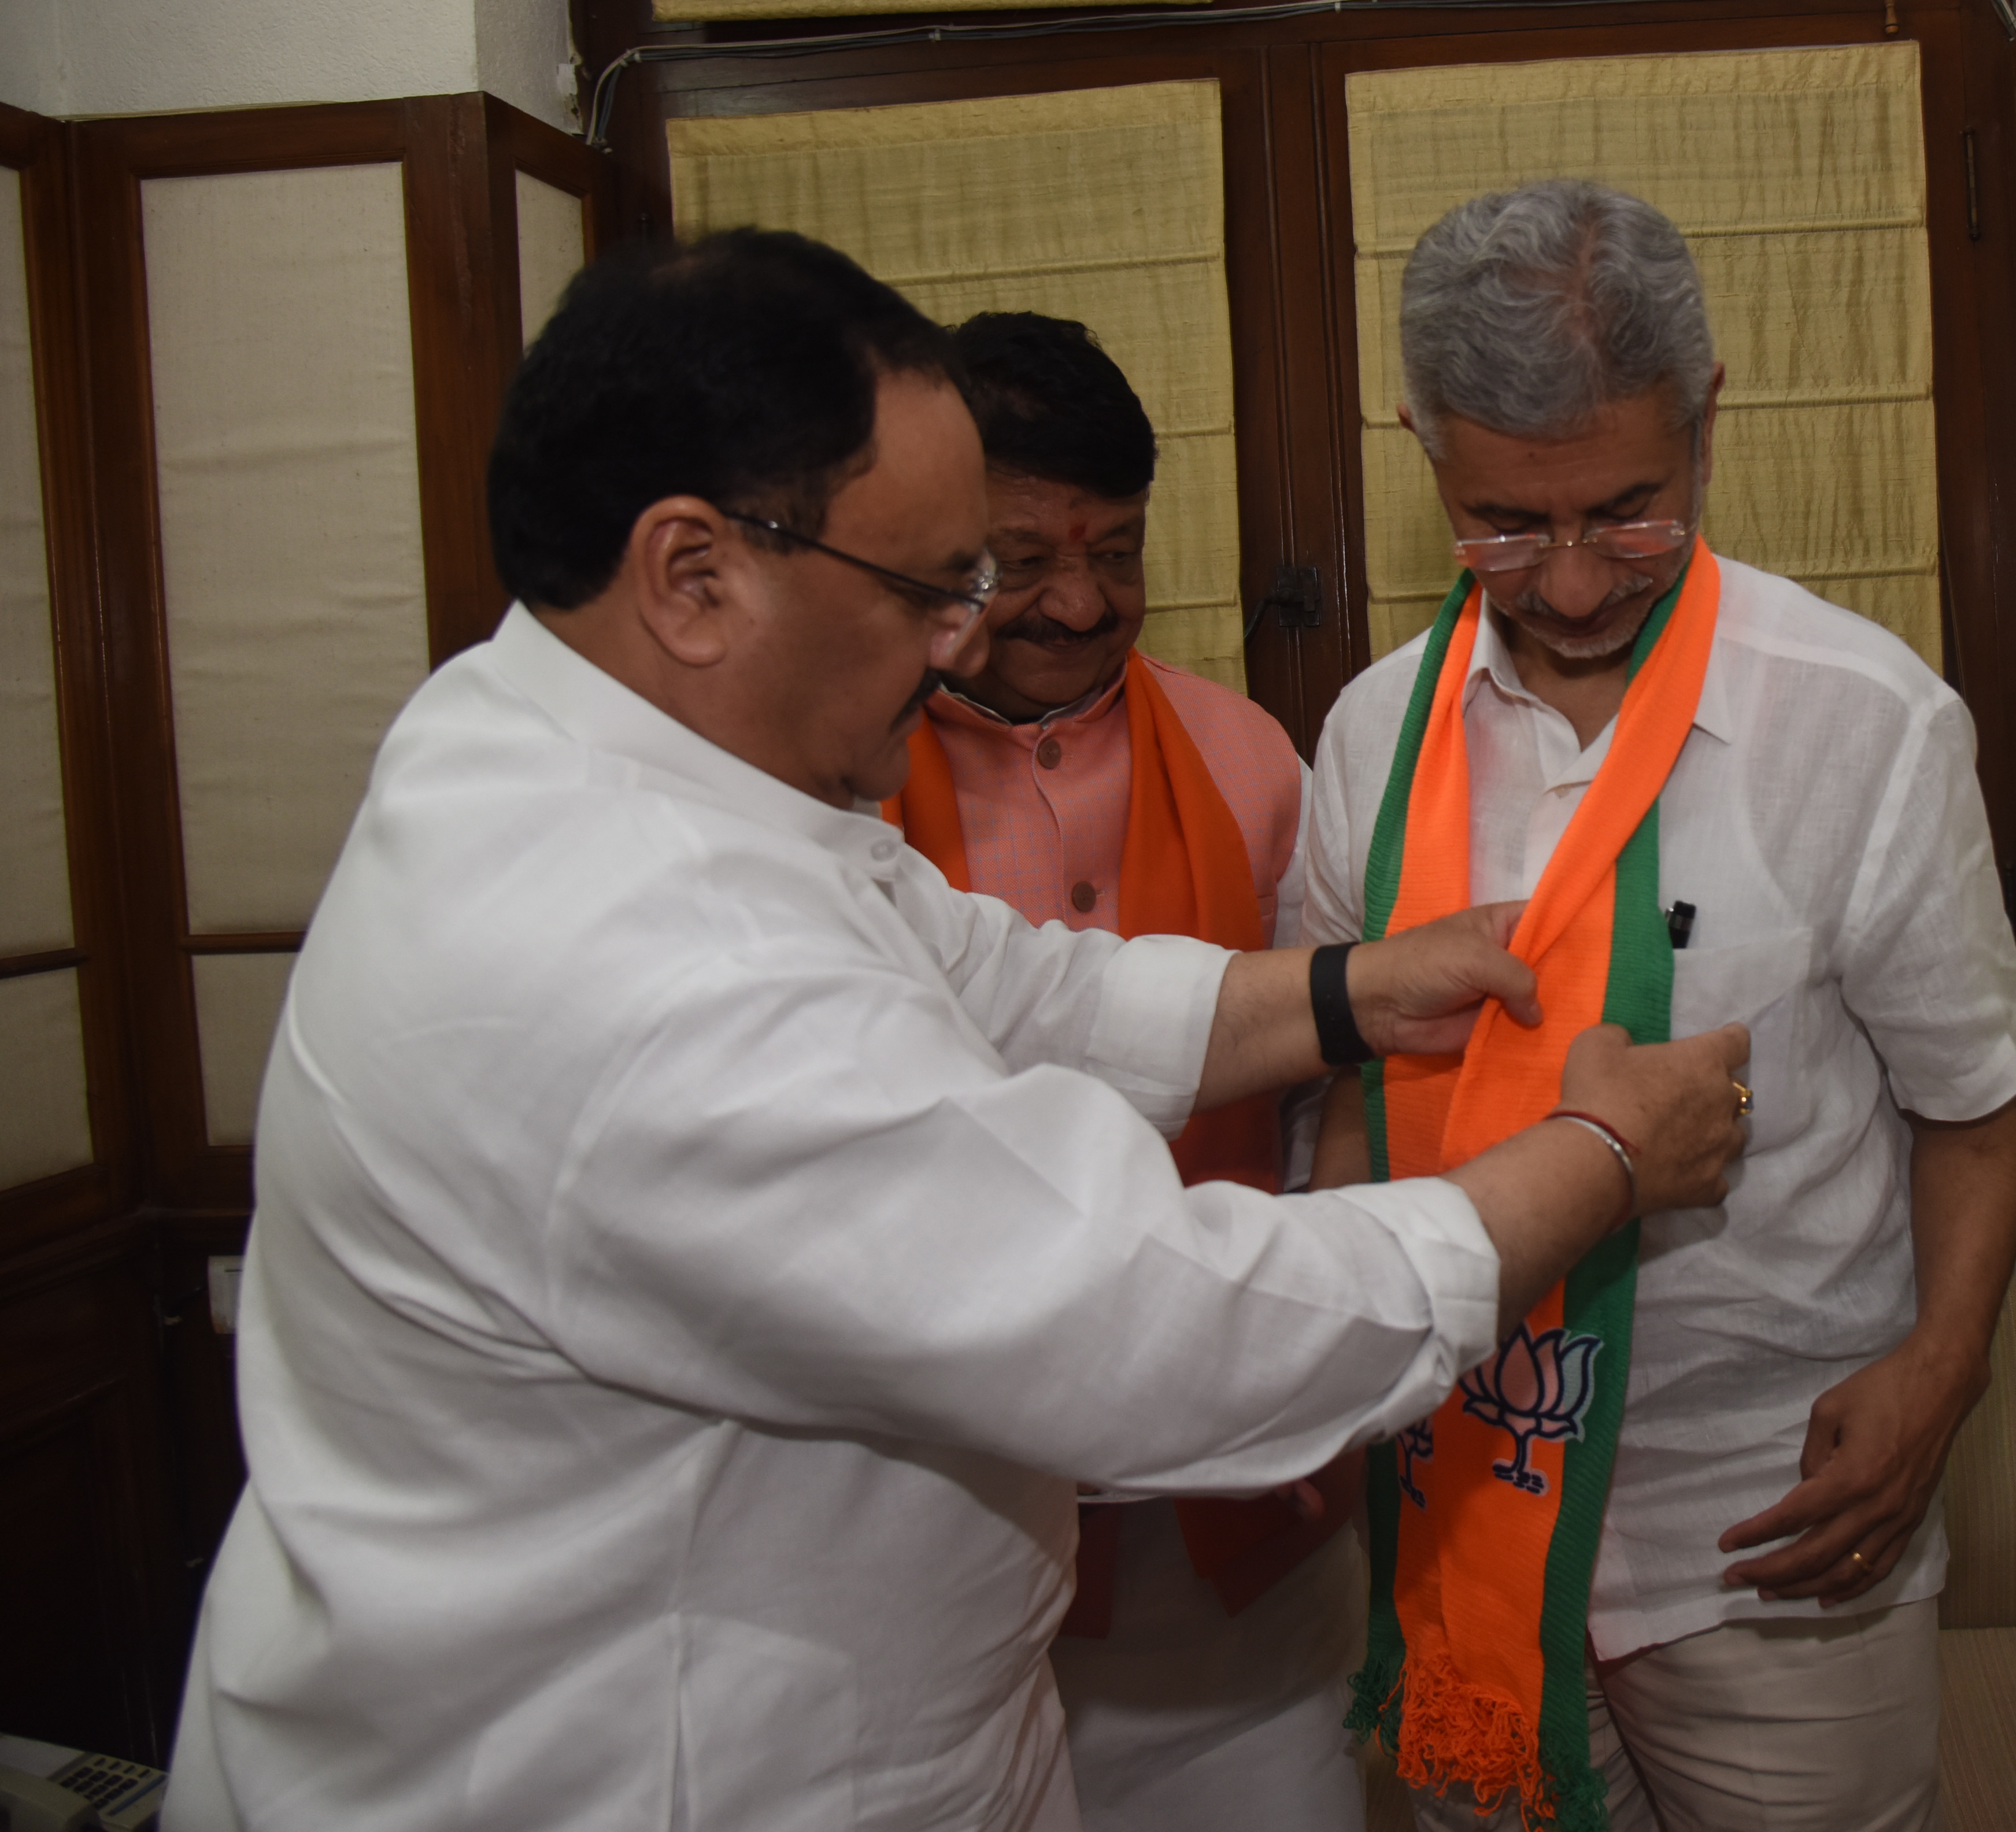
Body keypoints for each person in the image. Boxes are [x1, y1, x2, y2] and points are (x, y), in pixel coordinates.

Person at [162, 230, 1749, 1831]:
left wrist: (1350, 988)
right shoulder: (647, 962)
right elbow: (1160, 1340)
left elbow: (1016, 987)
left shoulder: (577, 743)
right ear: (693, 574)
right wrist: (1604, 1155)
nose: (970, 644)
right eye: (935, 588)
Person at [1303, 179, 2016, 1832]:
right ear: (1419, 443)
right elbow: (1328, 1098)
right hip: (1458, 1497)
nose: (1567, 587)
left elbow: (1974, 1109)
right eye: (1503, 524)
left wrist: (1945, 1369)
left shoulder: (1865, 723)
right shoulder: (1369, 738)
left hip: (1771, 1526)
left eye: (1625, 512)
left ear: (1709, 421)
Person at [881, 310, 1361, 1832]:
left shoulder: (1250, 757)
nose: (1080, 605)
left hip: (1236, 1528)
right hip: (944, 1527)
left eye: (1121, 551)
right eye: (1020, 562)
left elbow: (1323, 1095)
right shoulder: (831, 780)